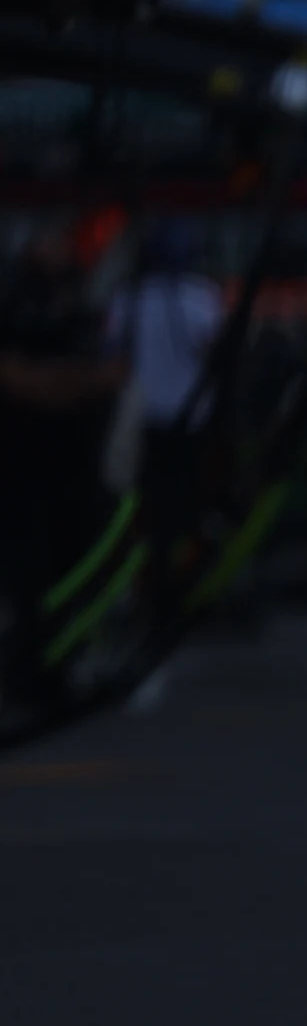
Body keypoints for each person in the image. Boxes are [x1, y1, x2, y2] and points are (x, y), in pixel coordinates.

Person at [0, 226, 122, 714]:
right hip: (21, 469)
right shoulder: (12, 302)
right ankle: (28, 673)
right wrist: (64, 385)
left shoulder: (84, 304)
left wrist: (57, 383)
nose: (53, 249)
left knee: (77, 568)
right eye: (42, 240)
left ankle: (64, 666)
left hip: (77, 466)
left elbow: (112, 374)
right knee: (29, 580)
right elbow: (13, 377)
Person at [109, 221, 223, 630]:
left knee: (148, 510)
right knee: (183, 510)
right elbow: (216, 352)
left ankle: (151, 588)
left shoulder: (130, 298)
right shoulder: (202, 298)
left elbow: (114, 353)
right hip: (187, 419)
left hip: (147, 419)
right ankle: (173, 589)